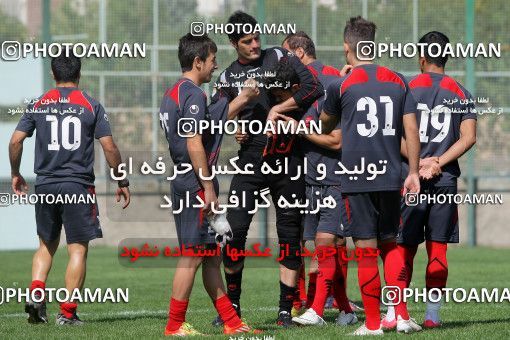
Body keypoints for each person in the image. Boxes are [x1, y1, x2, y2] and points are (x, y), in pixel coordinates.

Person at [211, 11, 323, 327]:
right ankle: (231, 307)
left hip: (289, 158)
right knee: (232, 233)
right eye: (247, 41)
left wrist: (279, 107)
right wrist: (236, 124)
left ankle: (286, 310)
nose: (255, 44)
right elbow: (215, 115)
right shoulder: (229, 76)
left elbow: (313, 86)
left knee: (289, 234)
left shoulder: (278, 56)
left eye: (257, 37)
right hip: (251, 160)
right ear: (233, 43)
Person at [9, 53, 130, 325]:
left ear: (53, 75)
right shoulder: (90, 104)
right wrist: (121, 180)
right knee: (77, 250)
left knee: (45, 245)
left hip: (46, 184)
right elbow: (109, 146)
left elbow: (16, 141)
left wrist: (15, 173)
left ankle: (36, 295)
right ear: (79, 74)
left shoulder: (38, 104)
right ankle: (67, 314)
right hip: (77, 185)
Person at [319, 16, 422, 335]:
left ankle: (374, 324)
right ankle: (402, 316)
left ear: (346, 47)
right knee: (391, 244)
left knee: (365, 248)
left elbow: (324, 125)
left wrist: (337, 87)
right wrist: (414, 172)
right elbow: (411, 129)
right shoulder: (398, 79)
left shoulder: (340, 84)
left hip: (356, 177)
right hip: (392, 175)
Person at [159, 33, 260, 336]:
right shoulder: (192, 94)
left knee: (210, 256)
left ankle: (232, 322)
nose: (215, 66)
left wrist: (242, 98)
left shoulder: (173, 93)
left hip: (190, 179)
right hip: (194, 181)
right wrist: (209, 188)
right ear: (198, 61)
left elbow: (210, 124)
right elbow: (194, 143)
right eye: (213, 61)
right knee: (192, 254)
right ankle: (174, 325)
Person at [382, 31, 477, 330]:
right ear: (446, 56)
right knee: (438, 249)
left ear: (421, 57)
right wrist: (438, 162)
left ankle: (394, 312)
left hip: (410, 179)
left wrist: (418, 161)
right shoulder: (461, 91)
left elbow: (391, 132)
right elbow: (469, 137)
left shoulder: (405, 87)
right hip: (444, 180)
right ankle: (432, 315)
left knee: (403, 248)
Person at [281, 31, 358, 325]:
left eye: (287, 55)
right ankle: (339, 307)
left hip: (330, 175)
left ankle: (314, 305)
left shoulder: (320, 82)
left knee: (323, 242)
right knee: (325, 243)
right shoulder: (328, 78)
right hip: (311, 174)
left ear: (299, 53)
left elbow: (335, 138)